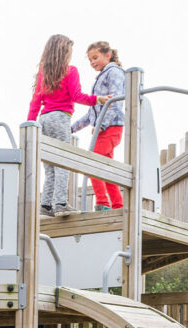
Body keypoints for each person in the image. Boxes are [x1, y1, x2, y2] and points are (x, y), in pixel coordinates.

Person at [27, 34, 108, 216]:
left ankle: (45, 205)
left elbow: (35, 101)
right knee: (62, 161)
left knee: (49, 166)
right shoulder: (70, 71)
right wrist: (97, 99)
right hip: (60, 118)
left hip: (44, 119)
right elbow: (76, 96)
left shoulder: (44, 73)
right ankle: (61, 203)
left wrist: (30, 125)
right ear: (64, 53)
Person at [71, 41, 126, 211]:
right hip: (105, 127)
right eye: (89, 60)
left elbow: (116, 101)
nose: (92, 62)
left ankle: (102, 202)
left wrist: (101, 125)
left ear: (107, 55)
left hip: (111, 126)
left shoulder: (114, 72)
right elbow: (92, 114)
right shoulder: (102, 76)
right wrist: (71, 129)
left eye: (95, 57)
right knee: (106, 167)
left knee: (92, 161)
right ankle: (117, 205)